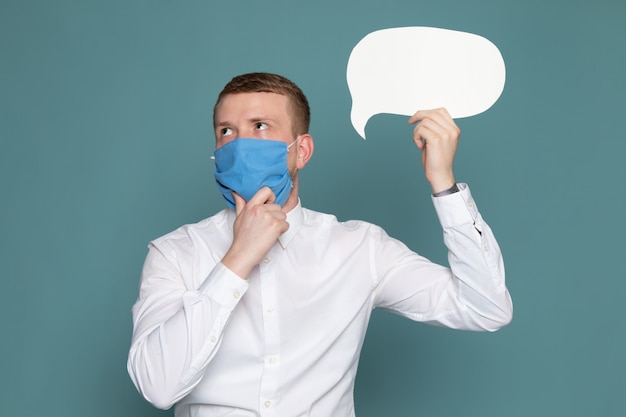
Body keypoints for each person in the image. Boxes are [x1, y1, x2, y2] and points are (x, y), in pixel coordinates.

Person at [127, 72, 513, 417]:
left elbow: (485, 308)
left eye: (260, 126)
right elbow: (157, 387)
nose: (239, 144)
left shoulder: (360, 248)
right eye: (226, 131)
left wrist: (443, 182)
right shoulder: (175, 252)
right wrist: (237, 259)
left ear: (302, 150)